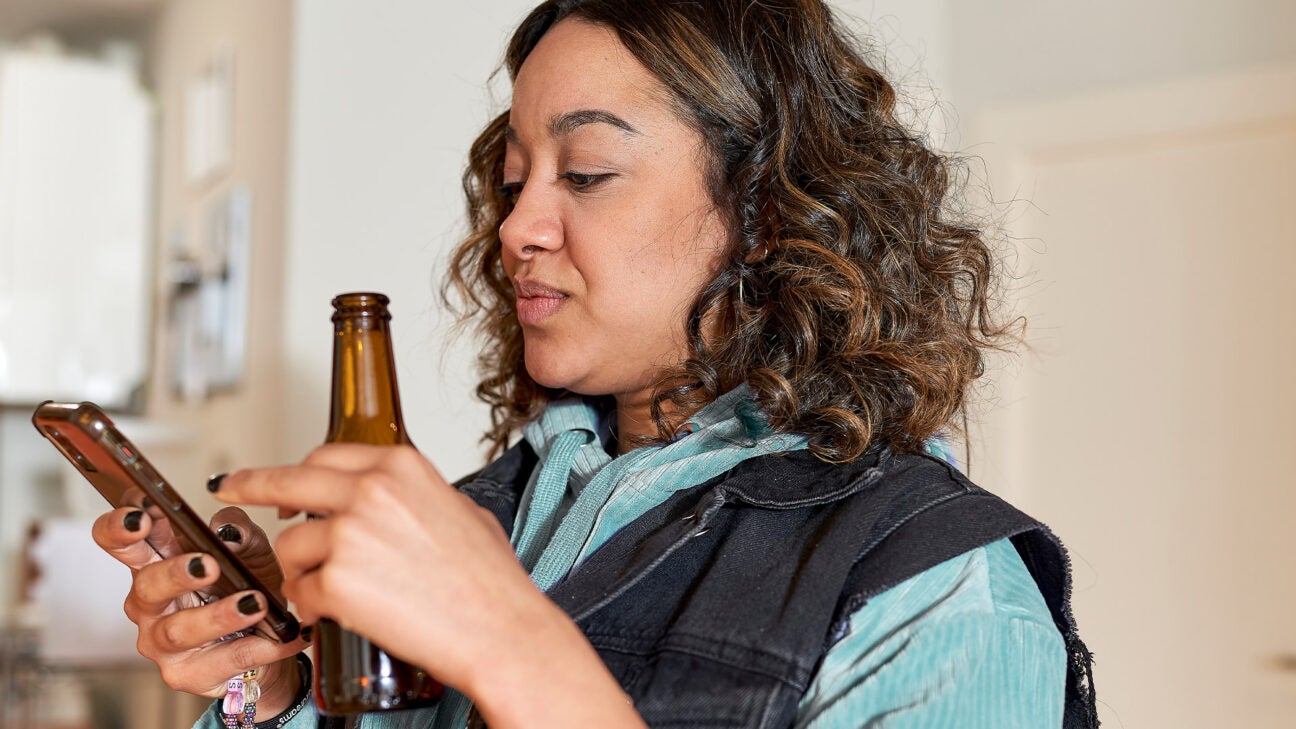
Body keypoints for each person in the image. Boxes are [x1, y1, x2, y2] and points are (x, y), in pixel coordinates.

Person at [92, 1, 1098, 727]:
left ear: (769, 211)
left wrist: (512, 644)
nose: (518, 228)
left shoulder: (940, 591)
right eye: (514, 179)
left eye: (585, 173)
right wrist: (276, 691)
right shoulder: (491, 510)